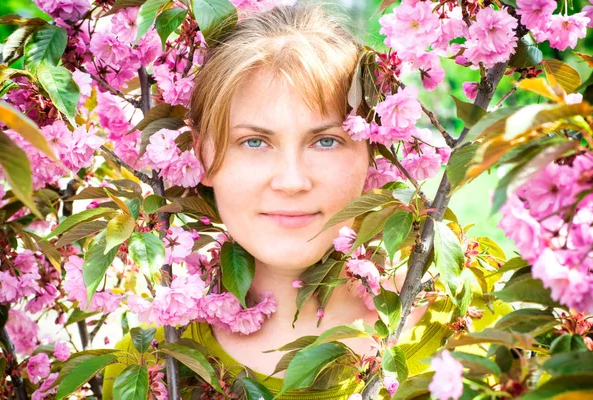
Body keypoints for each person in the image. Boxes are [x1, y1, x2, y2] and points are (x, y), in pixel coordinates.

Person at [104, 3, 428, 399]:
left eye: (325, 141)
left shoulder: (460, 334)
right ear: (203, 154)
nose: (291, 181)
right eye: (254, 142)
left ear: (371, 152)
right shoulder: (151, 370)